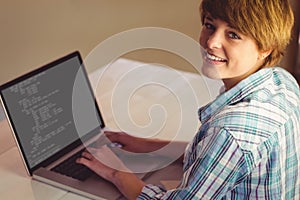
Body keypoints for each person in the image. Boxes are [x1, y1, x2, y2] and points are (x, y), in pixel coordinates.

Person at [77, 0, 300, 199]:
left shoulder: (231, 132)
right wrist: (150, 146)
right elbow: (226, 157)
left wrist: (117, 173)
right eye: (210, 25)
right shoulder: (282, 82)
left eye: (233, 34)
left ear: (265, 48)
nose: (211, 42)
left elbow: (229, 143)